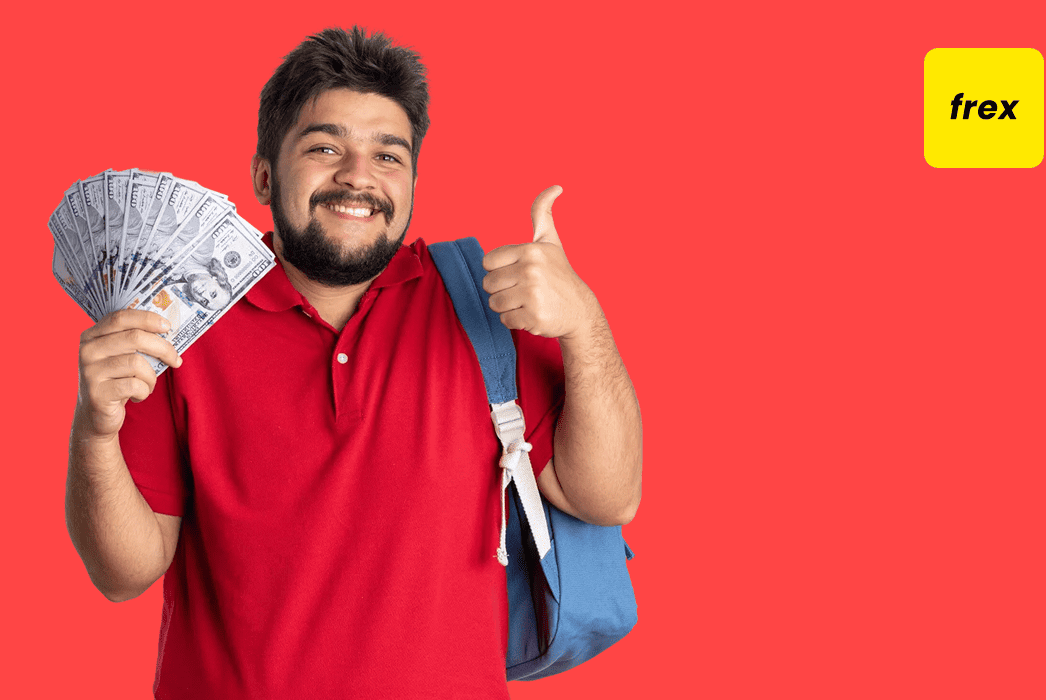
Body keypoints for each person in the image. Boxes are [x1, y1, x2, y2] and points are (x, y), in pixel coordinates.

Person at [64, 26, 642, 699]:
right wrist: (96, 427)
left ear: (413, 182)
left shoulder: (488, 305)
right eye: (325, 147)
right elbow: (122, 574)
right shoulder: (181, 321)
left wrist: (585, 324)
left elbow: (608, 497)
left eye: (388, 156)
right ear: (263, 175)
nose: (358, 177)